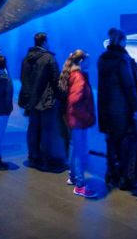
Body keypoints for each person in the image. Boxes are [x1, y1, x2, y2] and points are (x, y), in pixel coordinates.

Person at [97, 27, 137, 190]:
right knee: (127, 146)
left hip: (106, 109)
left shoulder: (103, 59)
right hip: (123, 110)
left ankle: (111, 176)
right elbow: (129, 86)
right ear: (123, 41)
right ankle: (126, 179)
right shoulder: (122, 59)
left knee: (111, 143)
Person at [19, 32, 65, 170]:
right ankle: (46, 160)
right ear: (45, 42)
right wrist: (62, 96)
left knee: (33, 129)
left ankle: (33, 157)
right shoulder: (49, 58)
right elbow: (56, 80)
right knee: (46, 131)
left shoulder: (26, 58)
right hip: (46, 101)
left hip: (31, 101)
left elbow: (23, 79)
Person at [61, 49, 97, 199]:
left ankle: (73, 176)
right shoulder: (79, 77)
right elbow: (74, 102)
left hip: (73, 119)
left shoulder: (73, 75)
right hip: (78, 120)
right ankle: (80, 186)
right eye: (88, 61)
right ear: (81, 62)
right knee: (80, 152)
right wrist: (86, 117)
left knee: (75, 149)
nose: (90, 64)